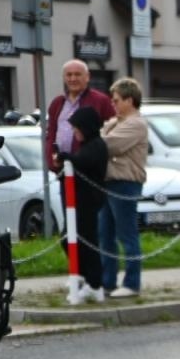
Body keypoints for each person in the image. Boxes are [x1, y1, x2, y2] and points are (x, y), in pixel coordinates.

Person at [99, 78, 147, 300]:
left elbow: (109, 145)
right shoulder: (116, 122)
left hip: (125, 182)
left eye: (117, 100)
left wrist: (98, 139)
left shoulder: (136, 123)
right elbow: (100, 137)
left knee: (126, 234)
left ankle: (132, 283)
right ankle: (107, 281)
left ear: (130, 100)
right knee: (105, 234)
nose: (113, 104)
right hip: (108, 181)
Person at [60, 106, 109, 305]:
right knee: (69, 238)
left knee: (87, 242)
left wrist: (66, 157)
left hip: (89, 201)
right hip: (79, 201)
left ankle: (94, 284)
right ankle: (81, 274)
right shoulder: (87, 145)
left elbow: (84, 161)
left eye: (77, 128)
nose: (75, 132)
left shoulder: (96, 146)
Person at [44, 60, 116, 173]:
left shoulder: (101, 101)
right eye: (69, 75)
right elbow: (51, 133)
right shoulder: (57, 103)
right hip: (62, 167)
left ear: (87, 77)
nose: (73, 79)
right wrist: (51, 158)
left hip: (88, 169)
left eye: (77, 74)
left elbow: (113, 129)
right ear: (64, 78)